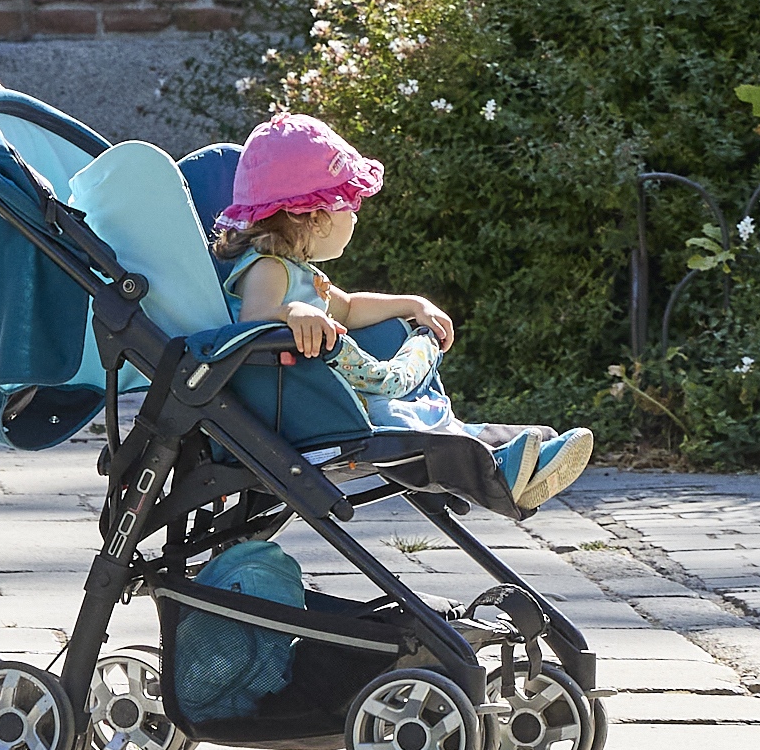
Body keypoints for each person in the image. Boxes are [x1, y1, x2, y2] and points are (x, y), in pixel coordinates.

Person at [213, 112, 596, 511]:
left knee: (416, 416)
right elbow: (253, 323)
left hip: (332, 401)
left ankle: (525, 451)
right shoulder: (267, 267)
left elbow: (348, 307)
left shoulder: (297, 269)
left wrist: (412, 304)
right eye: (351, 204)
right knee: (404, 426)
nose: (356, 216)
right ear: (309, 214)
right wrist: (293, 312)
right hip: (311, 414)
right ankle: (499, 471)